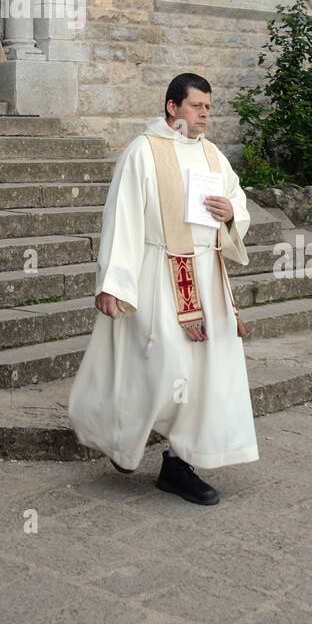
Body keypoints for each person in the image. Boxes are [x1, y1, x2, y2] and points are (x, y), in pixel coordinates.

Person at [68, 72, 258, 505]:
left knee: (200, 374)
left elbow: (238, 204)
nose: (205, 114)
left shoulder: (213, 156)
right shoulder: (143, 152)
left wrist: (231, 212)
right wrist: (114, 282)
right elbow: (122, 219)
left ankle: (177, 464)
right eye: (197, 106)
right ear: (172, 107)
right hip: (159, 274)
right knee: (164, 367)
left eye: (209, 106)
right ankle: (121, 437)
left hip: (206, 280)